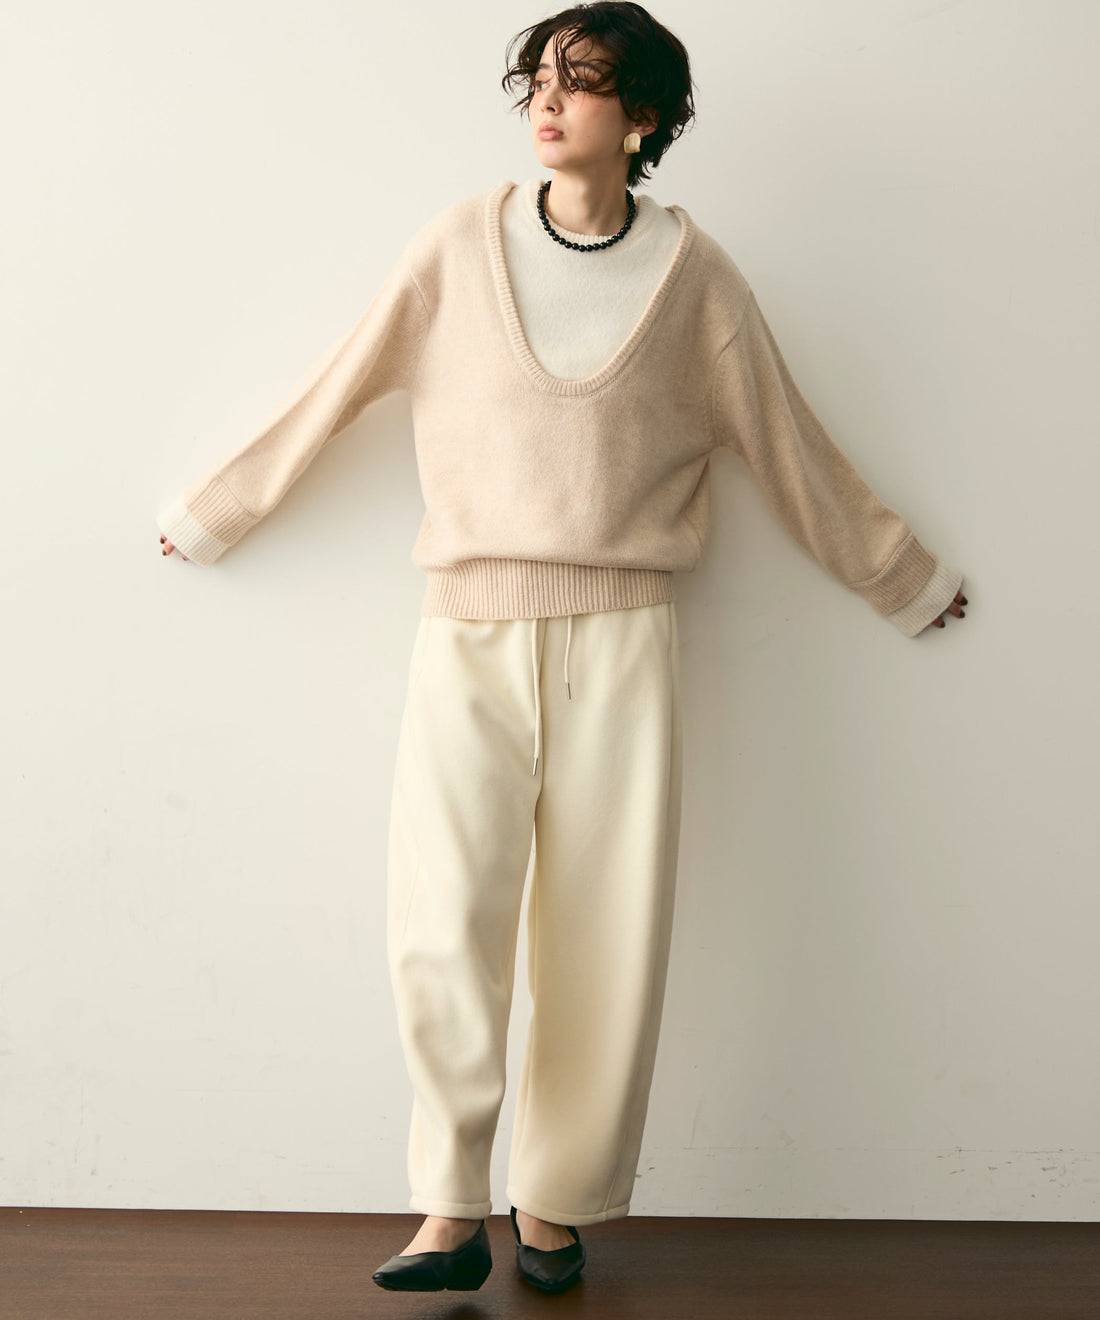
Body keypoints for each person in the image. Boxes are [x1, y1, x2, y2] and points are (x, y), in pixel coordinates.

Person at [157, 1, 969, 1295]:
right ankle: (446, 1211)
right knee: (442, 924)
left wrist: (900, 575)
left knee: (605, 938)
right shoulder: (455, 248)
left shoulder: (698, 280)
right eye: (539, 76)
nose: (548, 99)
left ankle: (554, 1208)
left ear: (641, 116)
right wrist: (220, 511)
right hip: (468, 633)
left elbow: (786, 442)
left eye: (582, 81)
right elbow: (340, 382)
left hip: (622, 644)